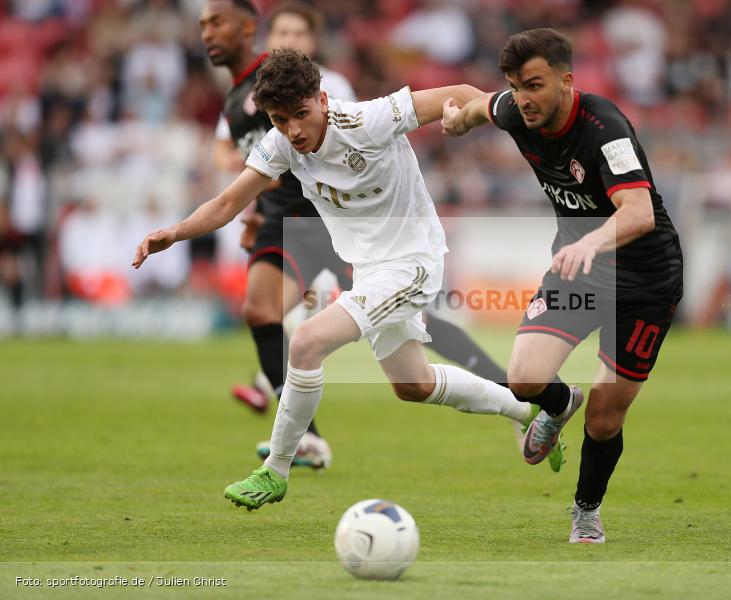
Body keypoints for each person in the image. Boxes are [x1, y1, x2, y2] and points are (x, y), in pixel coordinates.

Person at [133, 49, 537, 511]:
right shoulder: (281, 143)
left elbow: (463, 94)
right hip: (370, 269)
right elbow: (227, 203)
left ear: (322, 100)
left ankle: (277, 470)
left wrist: (496, 119)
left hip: (413, 261)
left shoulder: (369, 119)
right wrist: (176, 232)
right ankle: (523, 409)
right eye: (281, 120)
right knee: (413, 384)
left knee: (305, 341)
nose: (295, 130)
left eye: (301, 115)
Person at [200, 0, 509, 469]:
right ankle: (303, 427)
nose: (290, 40)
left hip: (350, 230)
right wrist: (251, 210)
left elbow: (353, 142)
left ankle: (285, 451)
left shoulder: (334, 93)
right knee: (269, 314)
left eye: (299, 34)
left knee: (319, 333)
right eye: (282, 31)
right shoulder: (249, 104)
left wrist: (488, 115)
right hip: (313, 230)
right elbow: (235, 166)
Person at [442, 28, 683, 543]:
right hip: (582, 273)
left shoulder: (605, 129)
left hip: (645, 280)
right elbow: (476, 102)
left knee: (604, 415)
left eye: (534, 85)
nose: (523, 99)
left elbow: (638, 213)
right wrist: (459, 120)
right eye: (515, 85)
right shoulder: (513, 109)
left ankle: (586, 510)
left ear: (566, 80)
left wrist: (591, 242)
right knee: (524, 377)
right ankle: (557, 404)